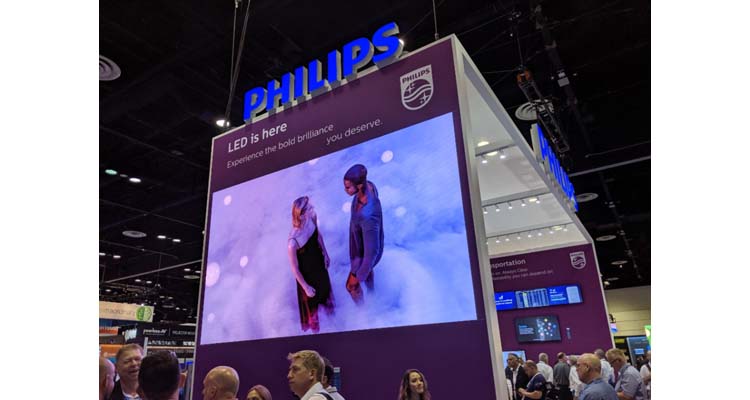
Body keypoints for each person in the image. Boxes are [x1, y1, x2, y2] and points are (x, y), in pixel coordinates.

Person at [288, 196, 334, 333]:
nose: (313, 209)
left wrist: (325, 253)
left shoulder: (312, 217)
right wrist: (306, 287)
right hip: (307, 277)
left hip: (320, 266)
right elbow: (294, 268)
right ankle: (317, 336)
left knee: (327, 297)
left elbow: (318, 235)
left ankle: (335, 326)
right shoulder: (293, 241)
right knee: (313, 314)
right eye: (309, 208)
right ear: (301, 215)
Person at [343, 164, 384, 305]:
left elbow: (372, 252)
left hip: (364, 255)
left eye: (348, 187)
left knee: (350, 286)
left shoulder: (368, 214)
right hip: (361, 243)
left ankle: (363, 310)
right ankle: (373, 295)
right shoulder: (369, 185)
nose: (345, 190)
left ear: (359, 185)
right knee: (368, 273)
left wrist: (358, 276)